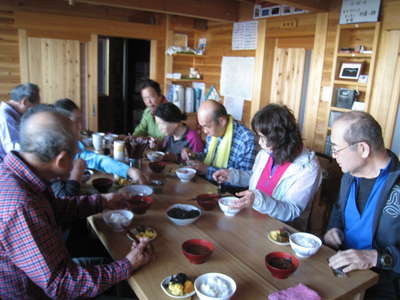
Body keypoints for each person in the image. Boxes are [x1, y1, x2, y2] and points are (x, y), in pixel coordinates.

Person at [0, 108, 153, 299]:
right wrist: (128, 264)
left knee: (113, 263)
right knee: (133, 286)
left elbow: (56, 209)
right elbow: (61, 285)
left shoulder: (21, 174)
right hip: (38, 293)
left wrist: (104, 201)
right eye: (75, 155)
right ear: (62, 160)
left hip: (51, 274)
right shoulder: (21, 206)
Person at [324, 111, 400, 299]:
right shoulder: (349, 176)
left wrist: (376, 257)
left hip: (383, 286)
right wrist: (334, 229)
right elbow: (339, 209)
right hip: (341, 271)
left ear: (363, 149)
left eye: (336, 149)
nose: (333, 156)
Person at [213, 104, 321, 230]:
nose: (260, 142)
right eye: (259, 136)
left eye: (264, 138)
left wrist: (258, 199)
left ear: (281, 138)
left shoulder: (308, 167)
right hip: (252, 219)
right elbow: (255, 177)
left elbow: (292, 211)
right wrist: (232, 175)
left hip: (281, 230)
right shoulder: (267, 152)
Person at [54, 98, 147, 195]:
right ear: (62, 124)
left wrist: (129, 171)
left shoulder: (75, 145)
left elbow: (97, 160)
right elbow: (62, 199)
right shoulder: (53, 153)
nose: (80, 127)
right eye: (76, 121)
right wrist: (76, 174)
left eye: (80, 121)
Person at [181, 100, 256, 188]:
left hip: (229, 193)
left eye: (207, 126)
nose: (205, 131)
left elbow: (244, 181)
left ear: (221, 121)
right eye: (202, 127)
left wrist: (207, 170)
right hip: (208, 185)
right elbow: (207, 156)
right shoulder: (213, 132)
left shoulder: (246, 139)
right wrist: (193, 155)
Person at [0, 83, 40, 159]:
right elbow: (12, 149)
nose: (32, 111)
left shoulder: (13, 113)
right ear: (24, 102)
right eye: (33, 107)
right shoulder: (4, 117)